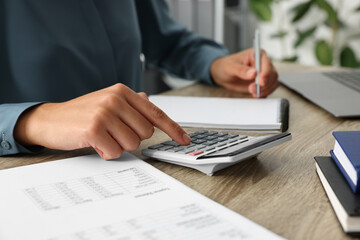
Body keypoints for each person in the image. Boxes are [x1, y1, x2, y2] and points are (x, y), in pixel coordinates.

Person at [0, 0, 279, 159]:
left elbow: (165, 40)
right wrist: (31, 121)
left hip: (139, 157)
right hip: (35, 170)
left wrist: (213, 63)